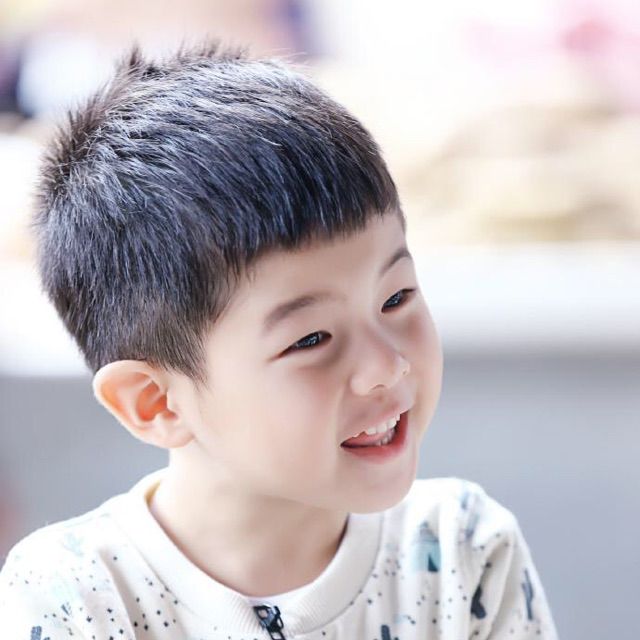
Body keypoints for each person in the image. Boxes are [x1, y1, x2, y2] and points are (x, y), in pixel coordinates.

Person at [0, 41, 558, 639]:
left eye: (396, 298)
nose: (386, 365)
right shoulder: (72, 597)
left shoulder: (464, 552)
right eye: (312, 338)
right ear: (156, 402)